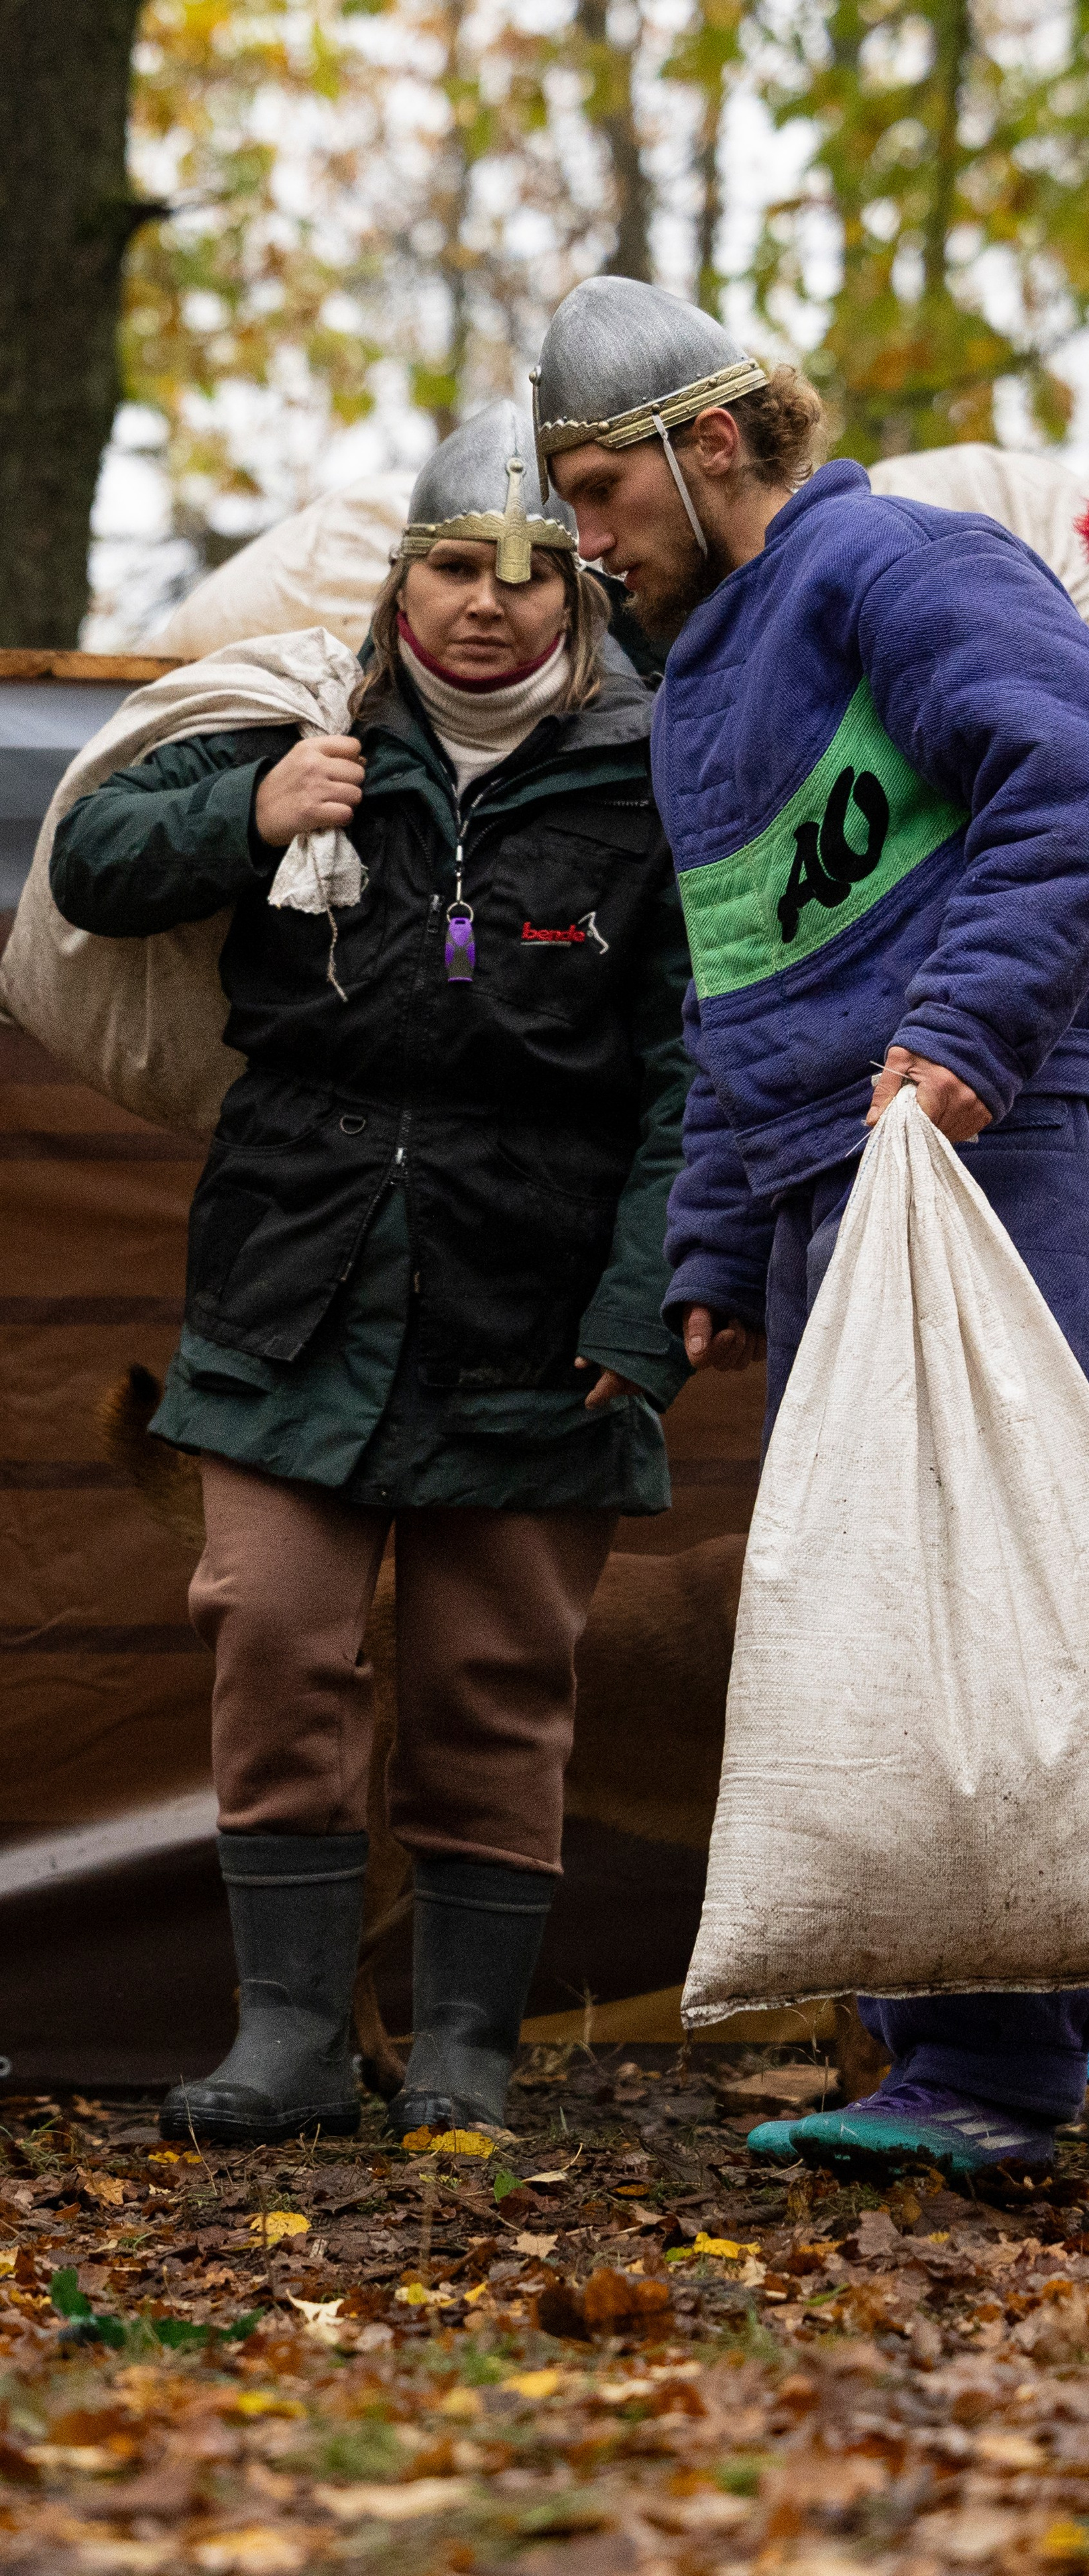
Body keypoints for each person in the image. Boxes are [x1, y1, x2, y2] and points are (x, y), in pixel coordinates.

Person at [533, 275, 1089, 2176]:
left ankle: (1007, 2073)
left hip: (997, 1135)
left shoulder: (900, 562)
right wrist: (713, 1239)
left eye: (592, 491)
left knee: (985, 1577)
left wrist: (968, 1036)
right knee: (871, 1609)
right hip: (827, 1177)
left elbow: (1087, 773)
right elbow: (748, 983)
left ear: (704, 444)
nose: (577, 542)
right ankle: (922, 2056)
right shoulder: (700, 686)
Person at [50, 402, 693, 2144]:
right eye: (455, 563)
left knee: (496, 1679)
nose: (489, 602)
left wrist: (644, 1309)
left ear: (579, 589)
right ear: (406, 575)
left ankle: (471, 2043)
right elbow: (87, 866)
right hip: (297, 1275)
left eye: (530, 572)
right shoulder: (303, 723)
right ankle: (289, 2039)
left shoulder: (655, 783)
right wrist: (252, 811)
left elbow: (683, 1076)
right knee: (270, 1631)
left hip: (534, 1292)